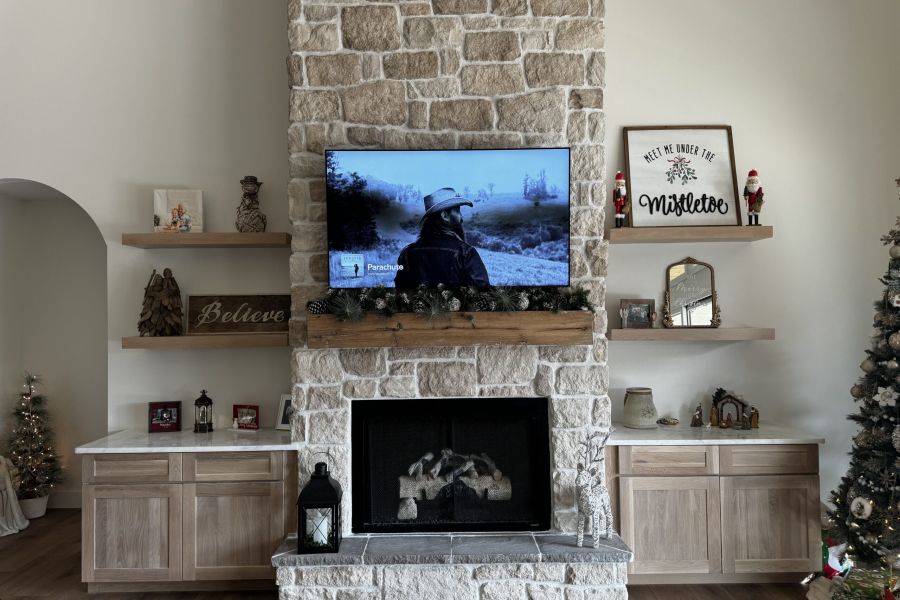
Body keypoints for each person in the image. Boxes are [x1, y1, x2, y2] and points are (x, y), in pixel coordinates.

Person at [395, 187, 490, 288]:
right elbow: (483, 294)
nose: (461, 218)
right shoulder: (465, 253)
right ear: (444, 216)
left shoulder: (407, 254)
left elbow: (401, 294)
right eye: (457, 211)